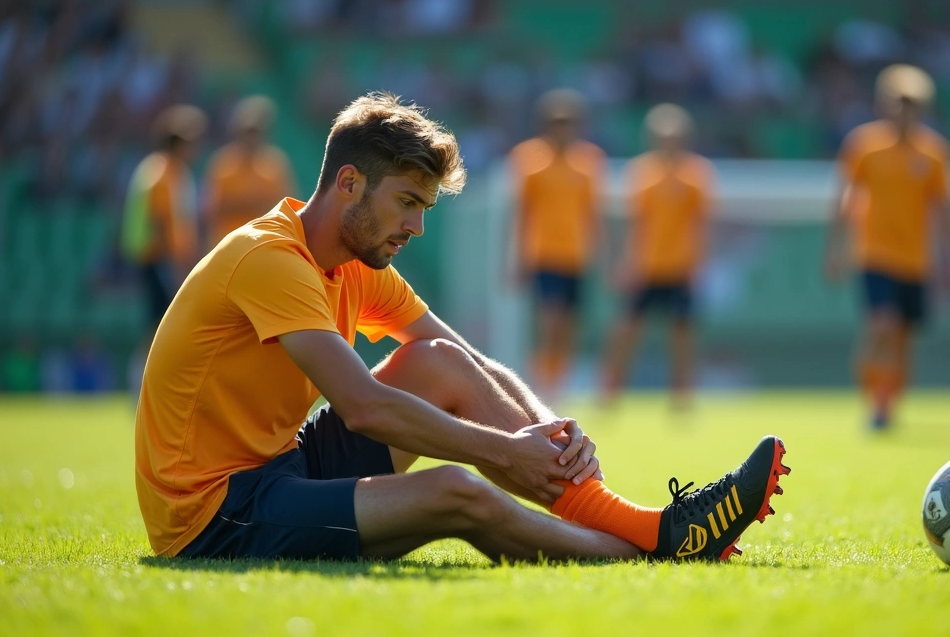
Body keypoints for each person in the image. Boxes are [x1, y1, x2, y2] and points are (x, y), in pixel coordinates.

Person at [134, 92, 789, 563]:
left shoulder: (352, 261)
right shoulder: (269, 259)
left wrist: (554, 430)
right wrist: (504, 450)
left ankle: (650, 527)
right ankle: (653, 542)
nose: (417, 226)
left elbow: (466, 361)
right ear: (350, 183)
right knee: (458, 491)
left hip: (285, 465)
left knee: (439, 361)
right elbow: (363, 407)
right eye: (407, 203)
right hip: (215, 513)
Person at [824, 64, 950, 431]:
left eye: (911, 103)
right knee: (882, 323)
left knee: (902, 335)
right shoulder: (864, 145)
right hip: (874, 252)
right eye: (897, 101)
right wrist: (835, 249)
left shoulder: (934, 153)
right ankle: (875, 398)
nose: (903, 110)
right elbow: (845, 196)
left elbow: (944, 210)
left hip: (915, 258)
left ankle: (887, 402)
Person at [601, 104, 713, 409]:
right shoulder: (642, 173)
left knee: (682, 335)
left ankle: (682, 395)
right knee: (625, 331)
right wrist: (627, 262)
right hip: (647, 268)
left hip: (680, 267)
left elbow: (701, 224)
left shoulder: (696, 175)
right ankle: (610, 391)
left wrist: (698, 265)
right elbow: (635, 223)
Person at [510, 89, 606, 403]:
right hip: (544, 253)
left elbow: (592, 212)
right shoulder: (529, 159)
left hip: (576, 255)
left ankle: (560, 383)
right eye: (557, 121)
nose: (563, 128)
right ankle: (544, 383)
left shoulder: (589, 161)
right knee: (550, 320)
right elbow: (522, 212)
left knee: (569, 326)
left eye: (569, 122)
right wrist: (517, 257)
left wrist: (601, 253)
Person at [121, 104, 207, 395]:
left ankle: (152, 386)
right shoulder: (163, 173)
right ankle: (143, 388)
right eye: (192, 141)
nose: (196, 148)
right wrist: (177, 264)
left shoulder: (161, 170)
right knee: (161, 325)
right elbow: (162, 222)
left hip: (159, 259)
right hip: (160, 259)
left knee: (161, 324)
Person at [202, 95, 296, 250]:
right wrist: (252, 203)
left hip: (263, 245)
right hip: (228, 246)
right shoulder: (223, 164)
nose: (252, 138)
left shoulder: (274, 165)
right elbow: (211, 209)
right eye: (248, 131)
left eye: (256, 132)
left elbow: (287, 208)